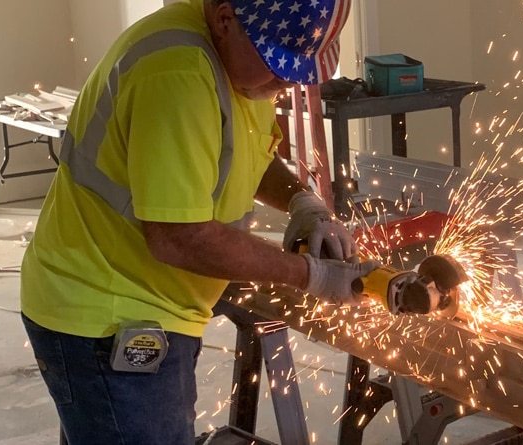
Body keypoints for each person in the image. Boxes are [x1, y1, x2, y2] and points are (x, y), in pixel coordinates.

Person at [19, 0, 377, 443]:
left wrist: (304, 203)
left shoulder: (241, 68)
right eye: (279, 65)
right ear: (226, 19)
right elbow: (179, 239)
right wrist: (312, 275)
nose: (288, 81)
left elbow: (250, 151)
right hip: (109, 316)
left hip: (136, 299)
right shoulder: (180, 76)